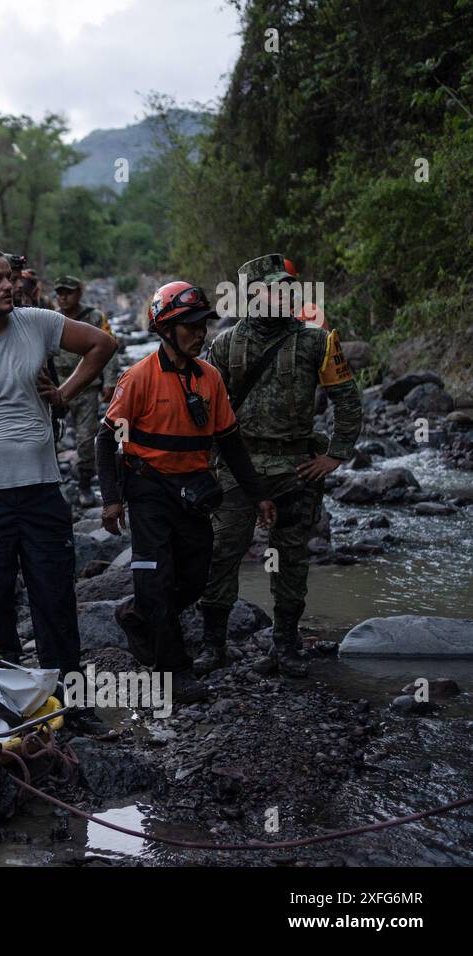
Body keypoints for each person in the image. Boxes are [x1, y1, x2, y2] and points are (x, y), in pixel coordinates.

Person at [0, 248, 116, 668]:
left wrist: (64, 392)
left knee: (55, 596)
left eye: (9, 277)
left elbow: (103, 344)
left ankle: (67, 693)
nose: (9, 285)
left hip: (41, 490)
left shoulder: (38, 323)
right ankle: (5, 696)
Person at [96, 281, 275, 702]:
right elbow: (106, 440)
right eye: (192, 326)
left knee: (194, 579)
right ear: (166, 329)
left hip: (193, 490)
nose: (201, 333)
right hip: (147, 489)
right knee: (156, 579)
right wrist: (111, 500)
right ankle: (174, 672)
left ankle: (139, 618)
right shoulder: (138, 377)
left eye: (203, 325)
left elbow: (230, 441)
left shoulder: (210, 378)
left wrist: (259, 495)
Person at [197, 254, 362, 677]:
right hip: (238, 465)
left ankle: (285, 645)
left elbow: (347, 400)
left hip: (295, 466)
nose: (287, 293)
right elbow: (207, 409)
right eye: (275, 287)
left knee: (290, 557)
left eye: (289, 286)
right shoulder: (224, 344)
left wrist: (335, 455)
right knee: (222, 552)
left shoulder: (317, 339)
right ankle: (214, 645)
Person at [52, 275, 120, 507]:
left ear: (79, 293)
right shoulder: (50, 318)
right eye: (59, 293)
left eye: (68, 292)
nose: (63, 297)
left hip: (87, 388)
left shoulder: (94, 317)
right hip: (56, 387)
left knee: (84, 439)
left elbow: (110, 348)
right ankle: (50, 486)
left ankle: (84, 482)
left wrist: (110, 381)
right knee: (48, 438)